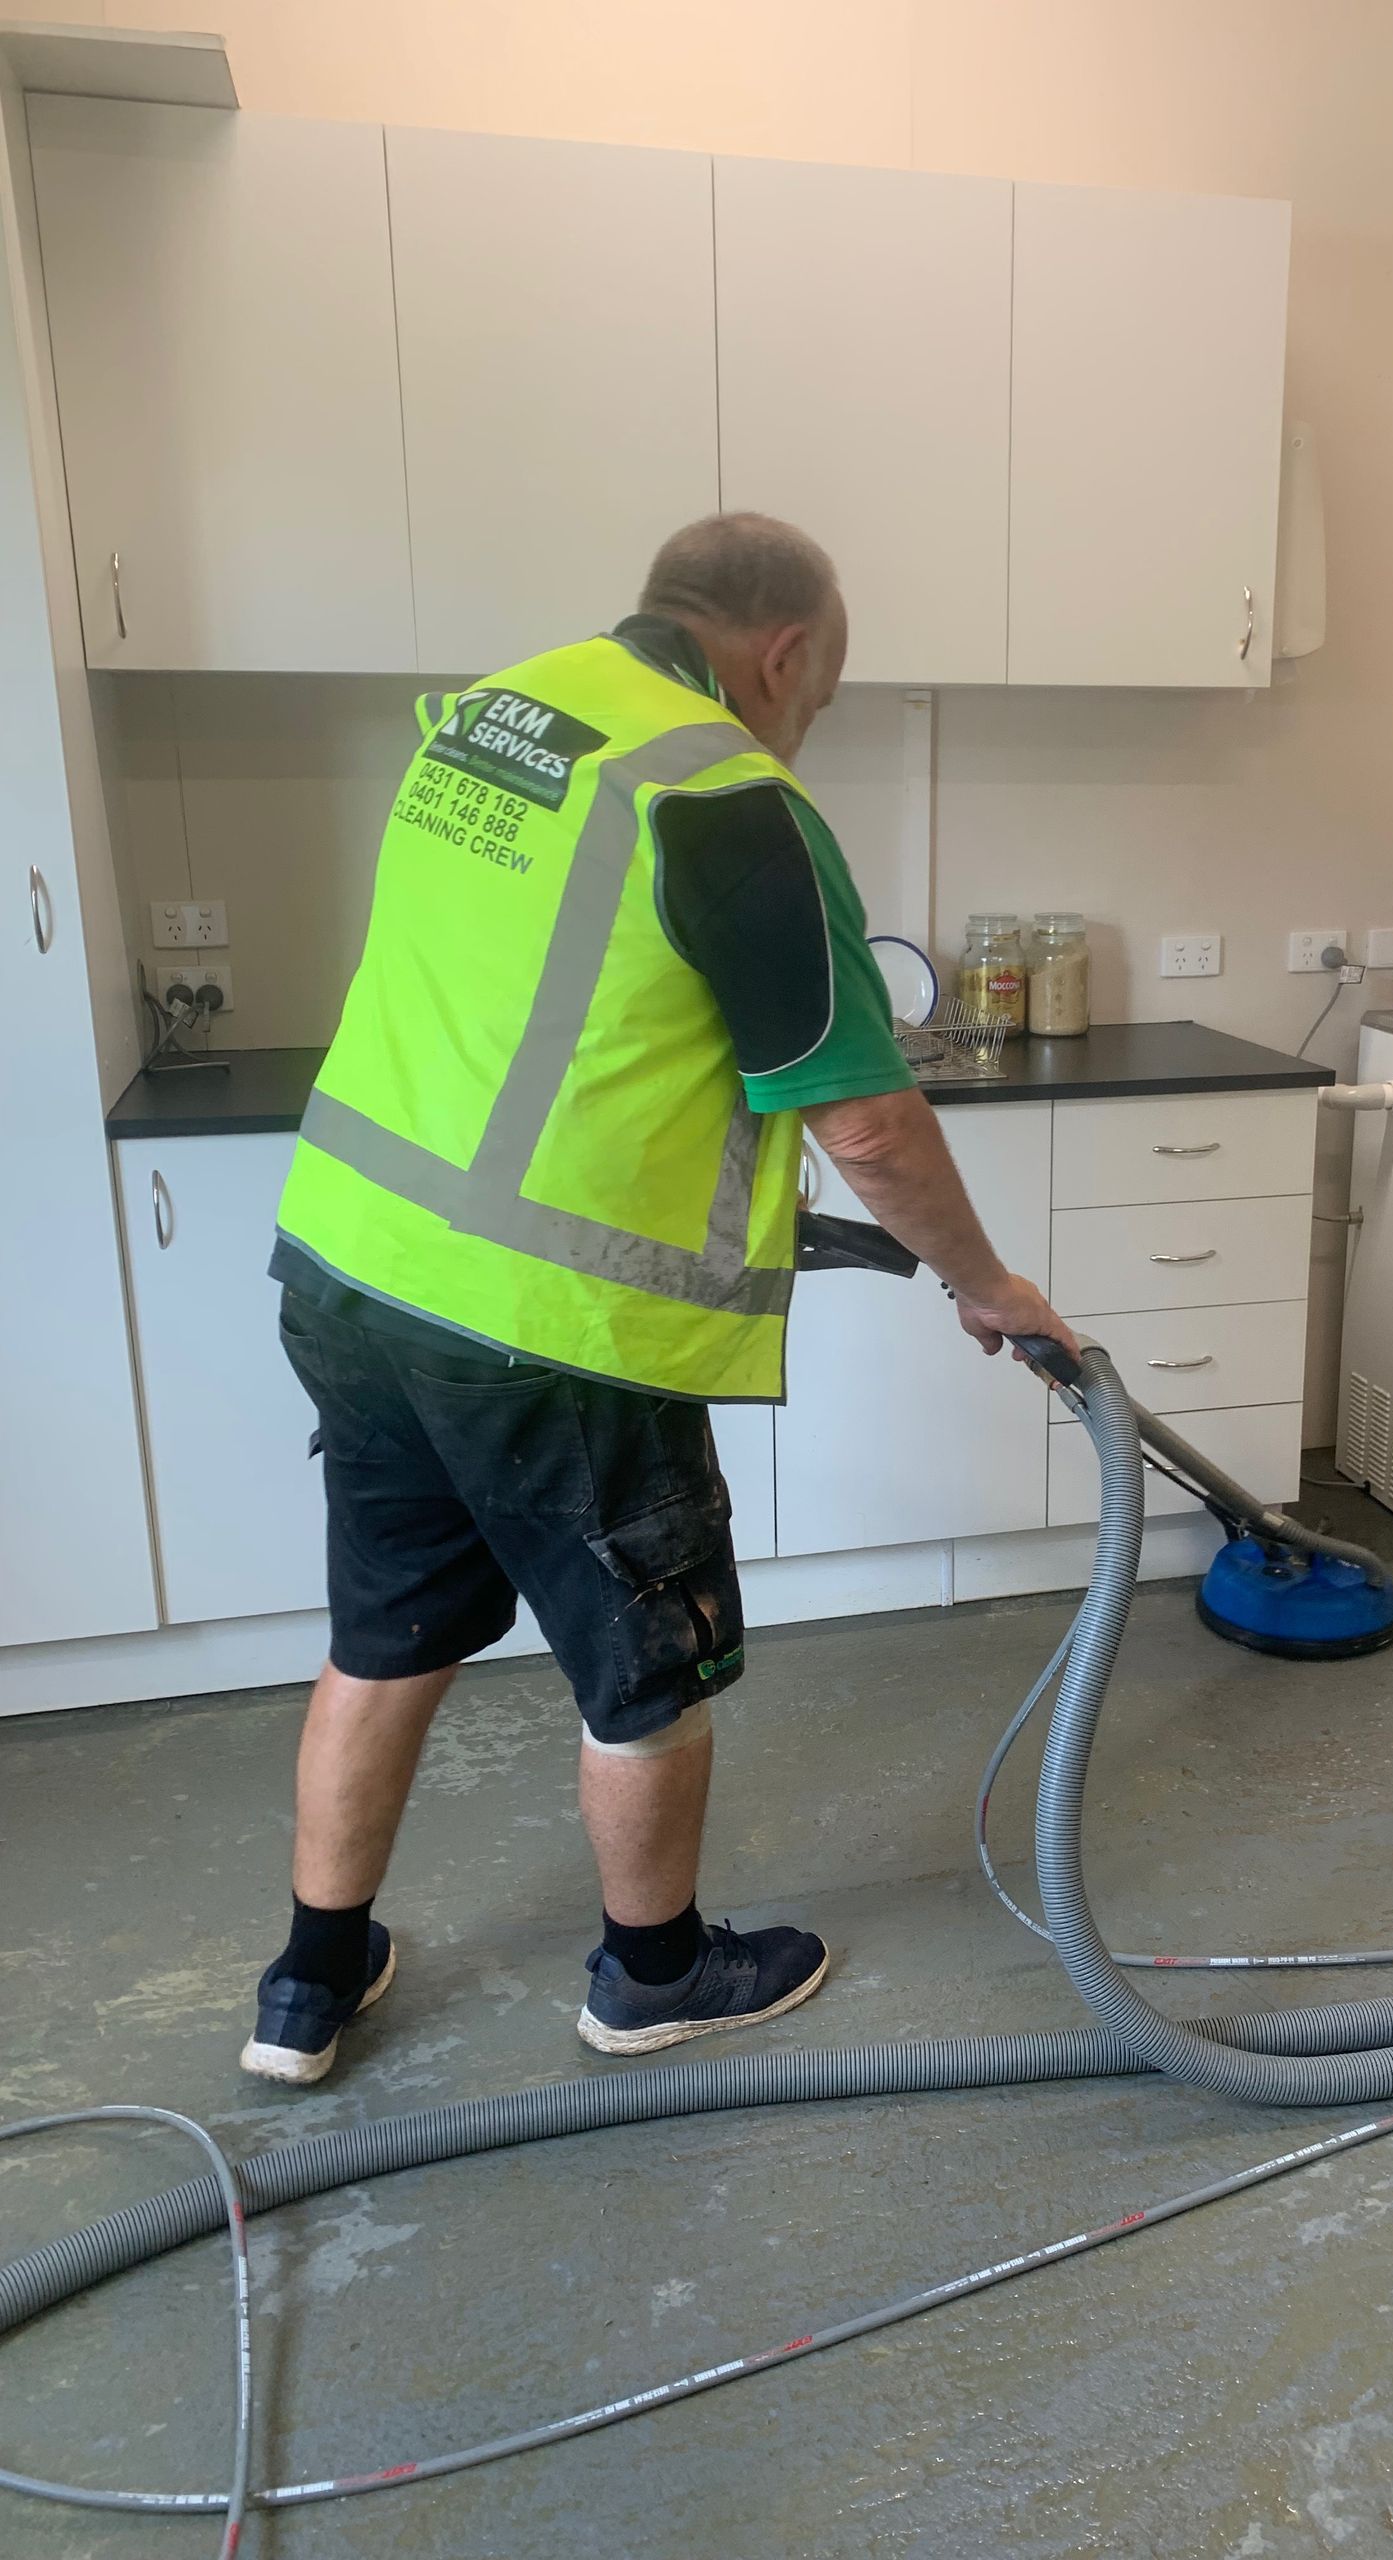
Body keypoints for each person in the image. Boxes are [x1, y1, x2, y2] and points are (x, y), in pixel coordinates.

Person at [246, 513, 1076, 2086]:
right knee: (647, 1672)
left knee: (386, 1634)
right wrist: (992, 1287)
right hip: (556, 1327)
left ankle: (310, 1978)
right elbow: (870, 1124)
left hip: (354, 1269)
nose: (803, 720)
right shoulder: (729, 802)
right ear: (784, 653)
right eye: (818, 695)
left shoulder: (501, 716)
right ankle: (652, 1974)